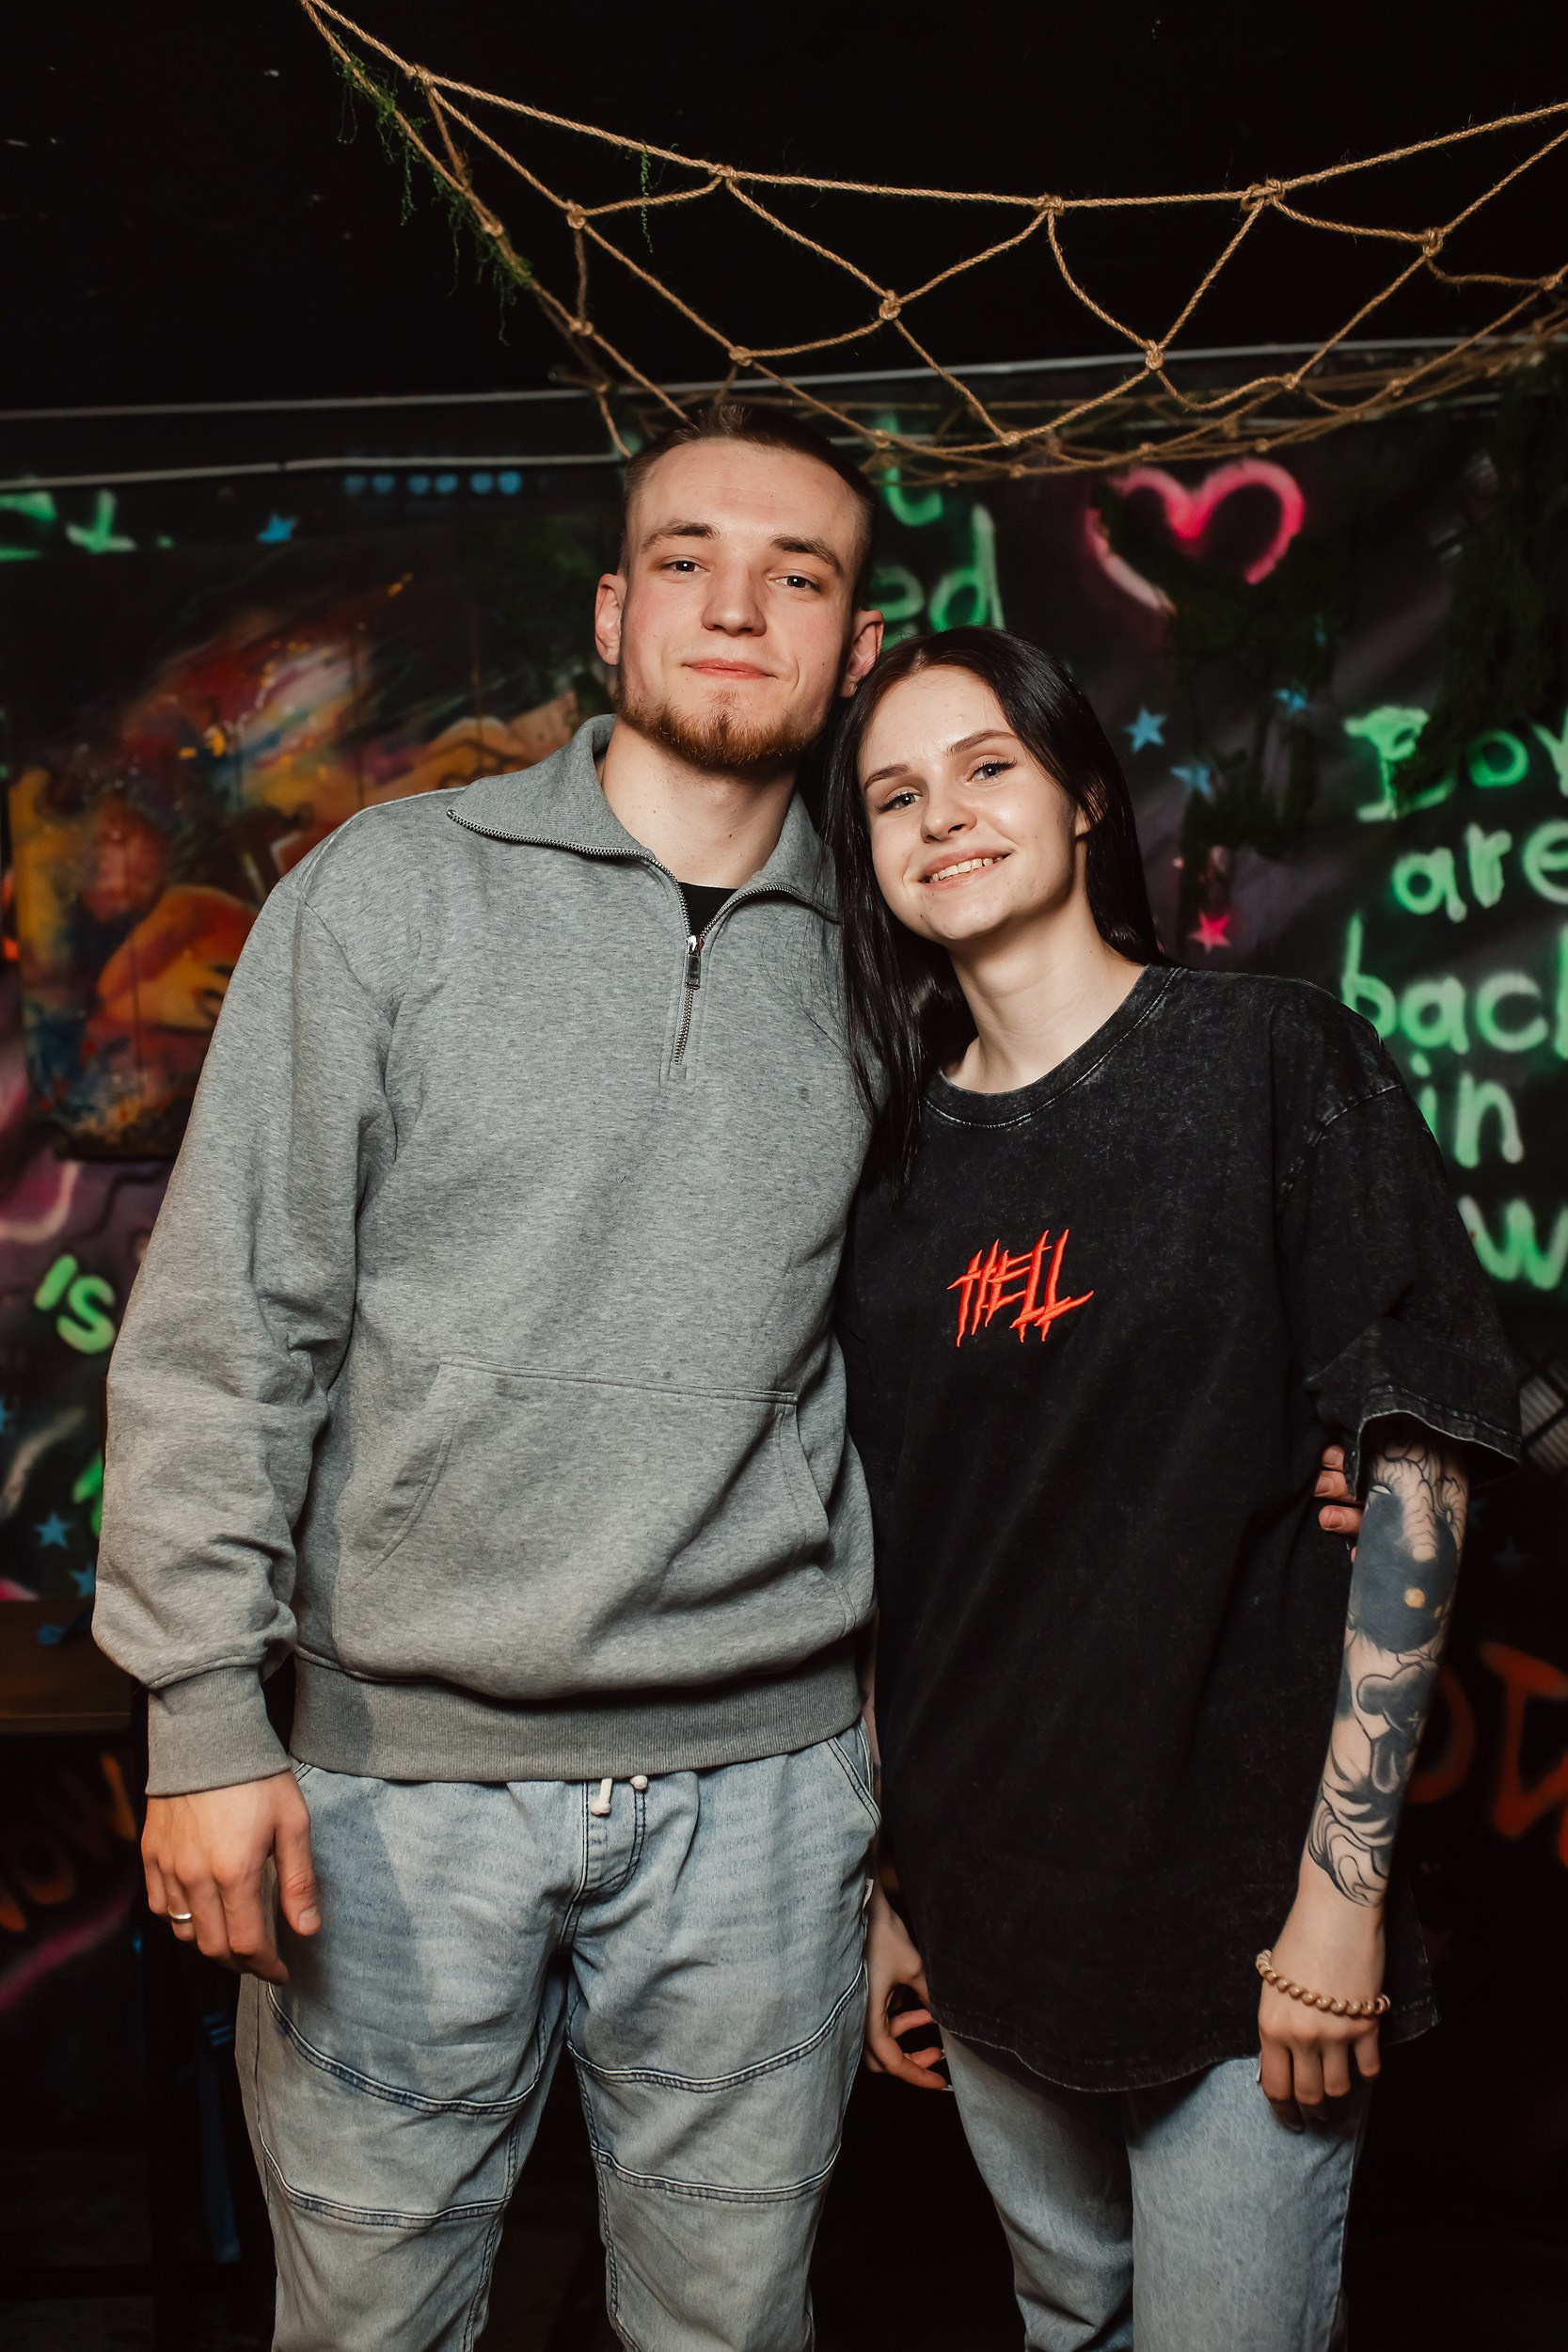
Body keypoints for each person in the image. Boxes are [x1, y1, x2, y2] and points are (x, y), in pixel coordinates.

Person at [95, 416, 1360, 2352]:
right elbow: (225, 1322)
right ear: (616, 611)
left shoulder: (900, 952)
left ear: (857, 648)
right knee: (366, 2324)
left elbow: (1026, 1291)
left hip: (765, 1801)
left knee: (731, 2328)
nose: (739, 605)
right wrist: (201, 1713)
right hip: (396, 1792)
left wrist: (1305, 1445)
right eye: (689, 558)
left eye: (800, 572)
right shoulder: (387, 893)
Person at [824, 627, 1519, 2352]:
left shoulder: (1269, 1058)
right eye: (895, 795)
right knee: (1069, 2324)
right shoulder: (884, 1169)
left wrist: (1342, 1901)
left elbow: (1418, 1455)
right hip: (986, 1913)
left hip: (1243, 1917)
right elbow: (891, 1552)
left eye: (988, 767)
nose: (943, 816)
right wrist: (889, 1896)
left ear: (1080, 798)